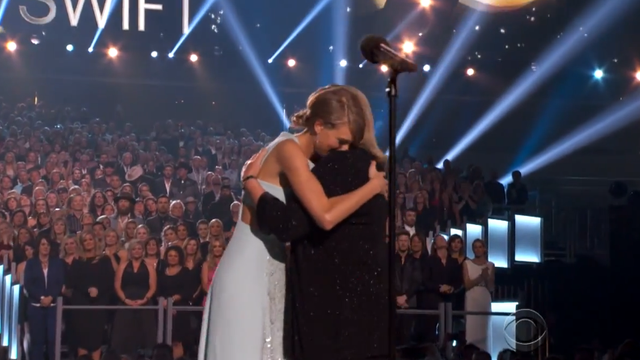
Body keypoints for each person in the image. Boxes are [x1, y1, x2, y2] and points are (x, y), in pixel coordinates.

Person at [198, 85, 387, 360]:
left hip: (274, 266)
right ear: (319, 126)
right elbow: (324, 214)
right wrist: (372, 187)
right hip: (249, 266)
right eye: (340, 140)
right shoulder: (289, 150)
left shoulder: (311, 163)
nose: (343, 149)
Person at [23, 237, 65, 360]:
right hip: (36, 307)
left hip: (53, 307)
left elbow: (59, 282)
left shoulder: (57, 262)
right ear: (38, 247)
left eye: (47, 244)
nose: (45, 247)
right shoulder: (31, 263)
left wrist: (51, 297)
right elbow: (28, 284)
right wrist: (41, 298)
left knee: (52, 340)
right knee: (37, 341)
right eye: (42, 244)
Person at [463, 239, 495, 351]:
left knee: (484, 328)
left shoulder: (490, 265)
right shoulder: (467, 263)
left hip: (484, 297)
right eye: (475, 247)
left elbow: (491, 287)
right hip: (472, 297)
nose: (478, 249)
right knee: (472, 327)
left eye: (480, 247)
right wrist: (480, 277)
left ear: (484, 249)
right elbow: (467, 284)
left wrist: (487, 277)